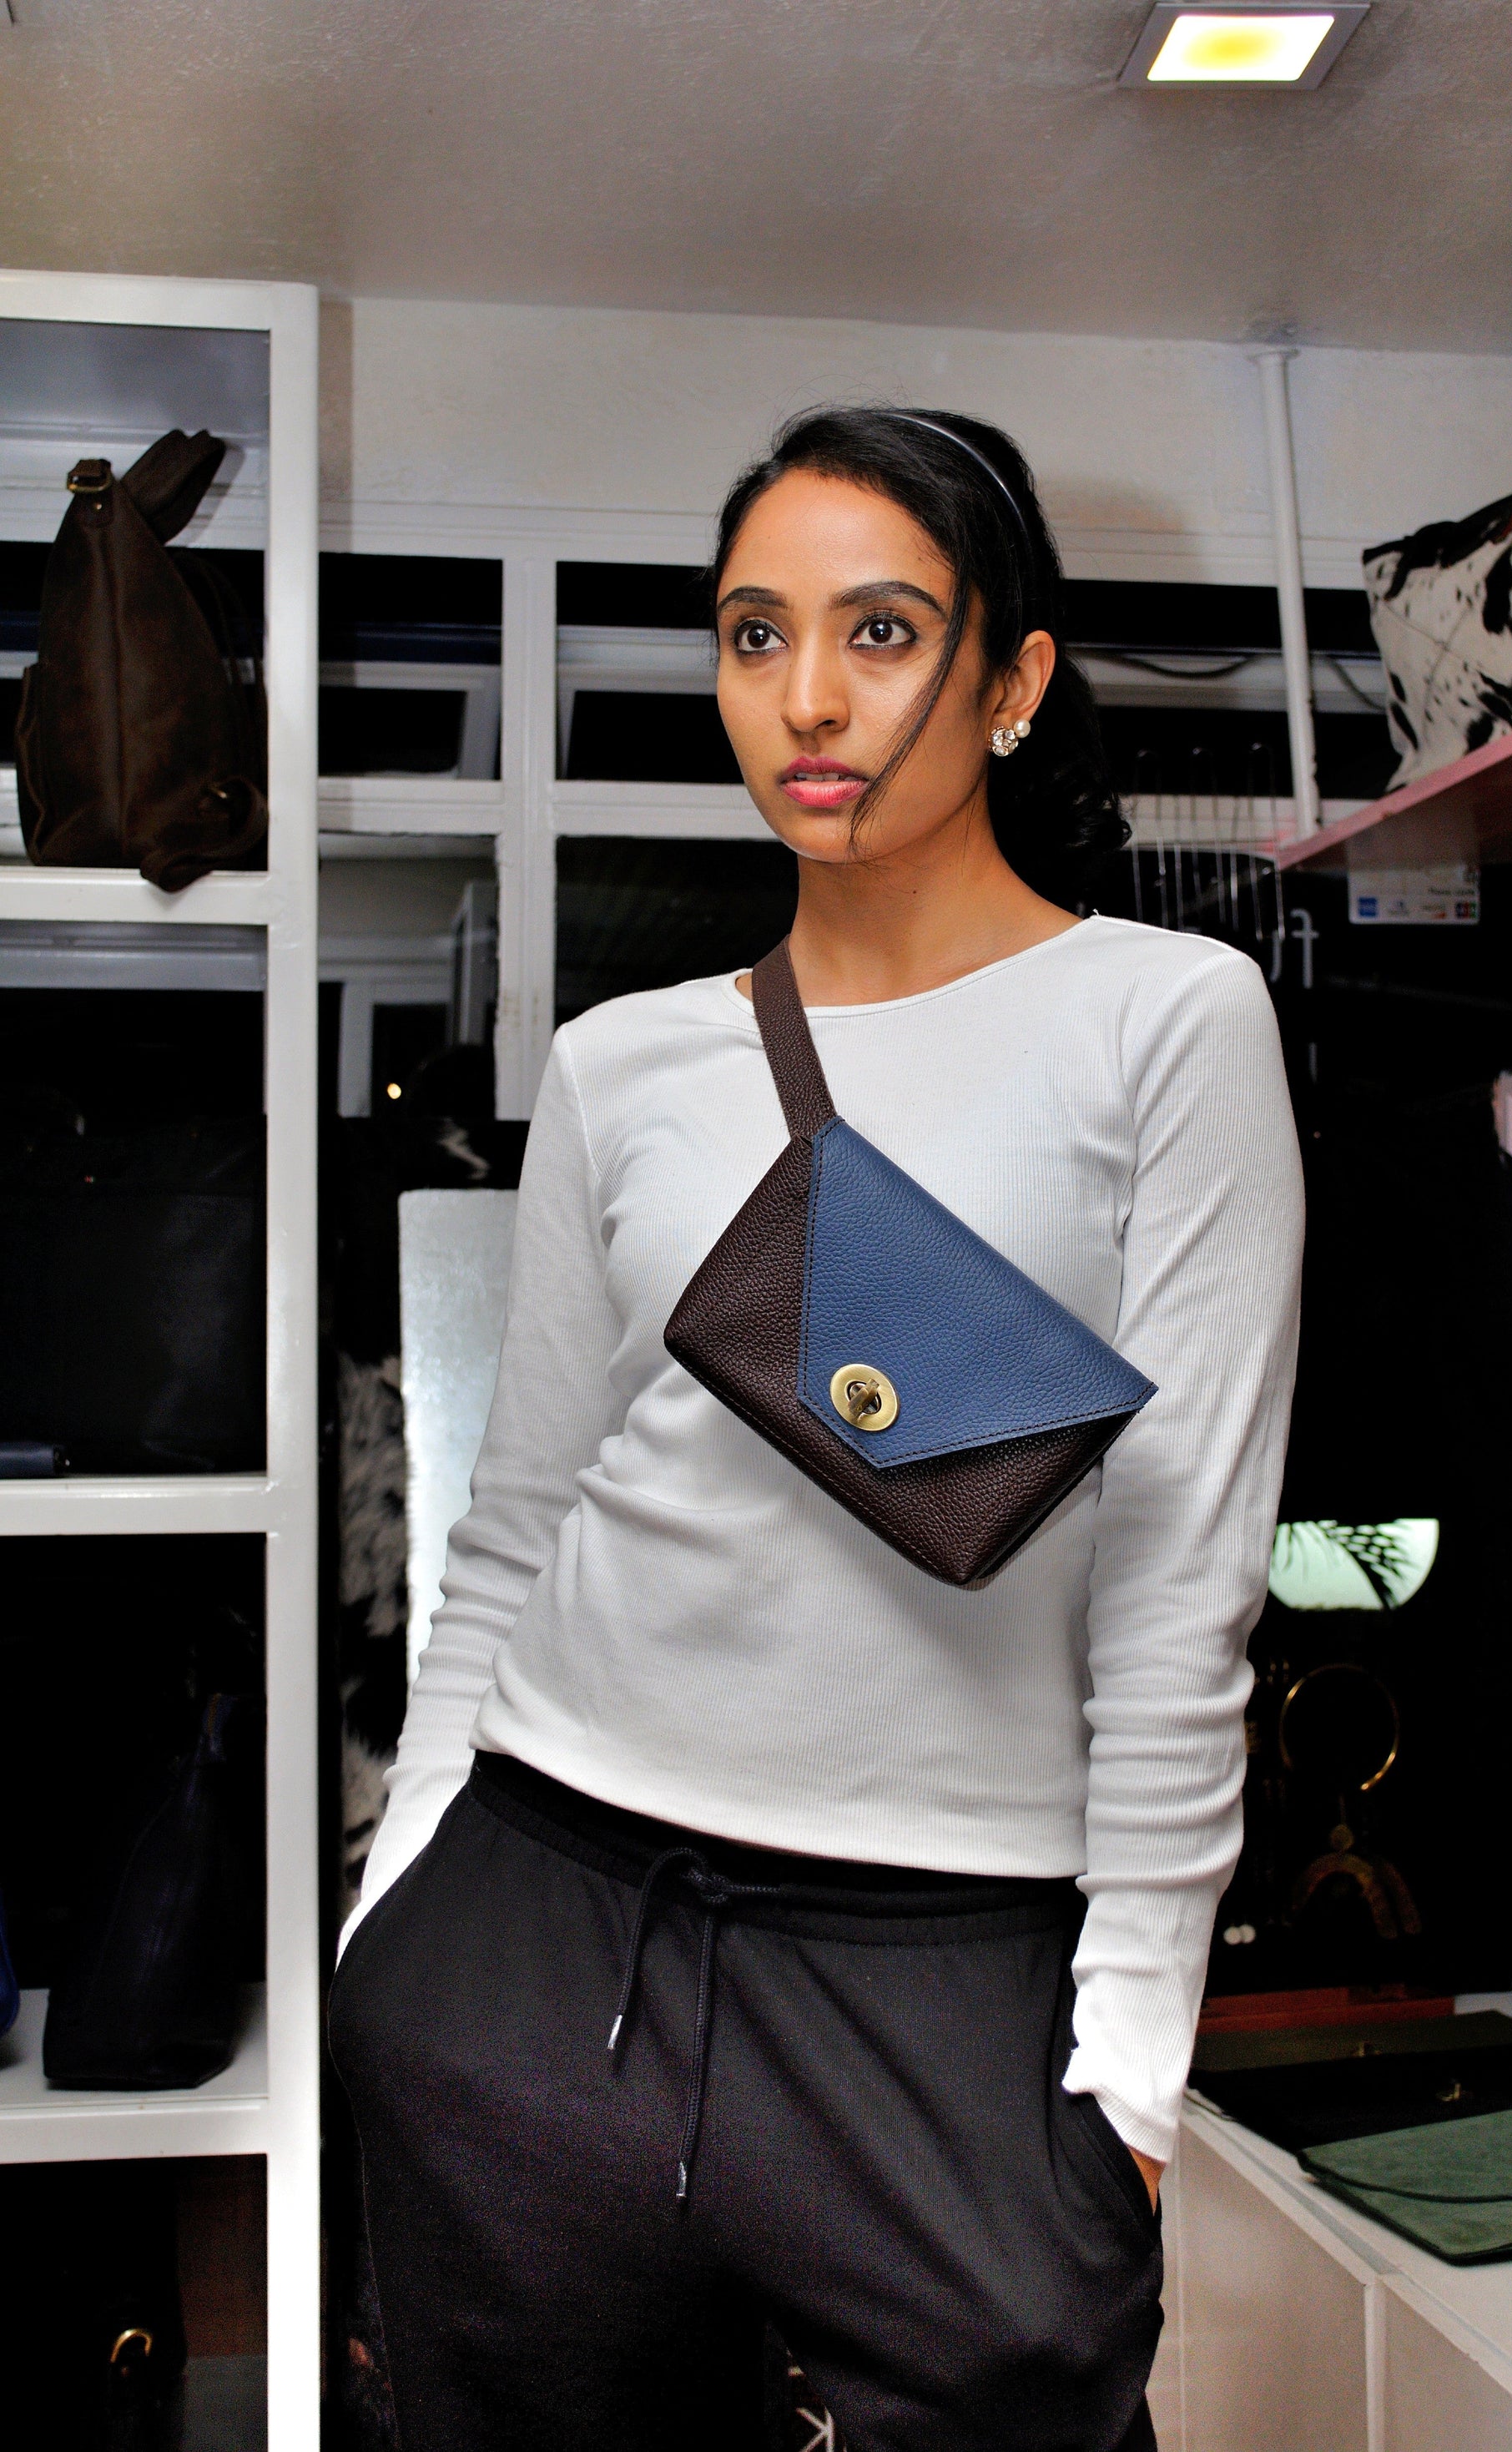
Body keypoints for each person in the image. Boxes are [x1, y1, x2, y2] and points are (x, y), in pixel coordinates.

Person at [328, 405, 1303, 2452]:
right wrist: (400, 1904)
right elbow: (517, 1520)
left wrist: (1127, 2082)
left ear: (1013, 677)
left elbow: (1180, 1581)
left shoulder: (1170, 1017)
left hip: (944, 1971)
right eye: (754, 633)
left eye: (879, 630)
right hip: (539, 1922)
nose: (806, 698)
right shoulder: (627, 1061)